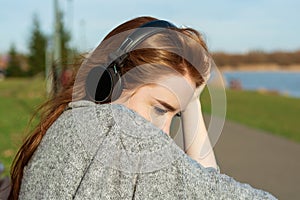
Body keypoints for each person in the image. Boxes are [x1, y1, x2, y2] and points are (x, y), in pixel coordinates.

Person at [9, 16, 277, 199]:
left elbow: (202, 183)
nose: (163, 132)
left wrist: (190, 100)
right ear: (108, 84)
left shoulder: (69, 129)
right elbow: (210, 188)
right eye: (159, 109)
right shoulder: (116, 133)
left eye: (175, 115)